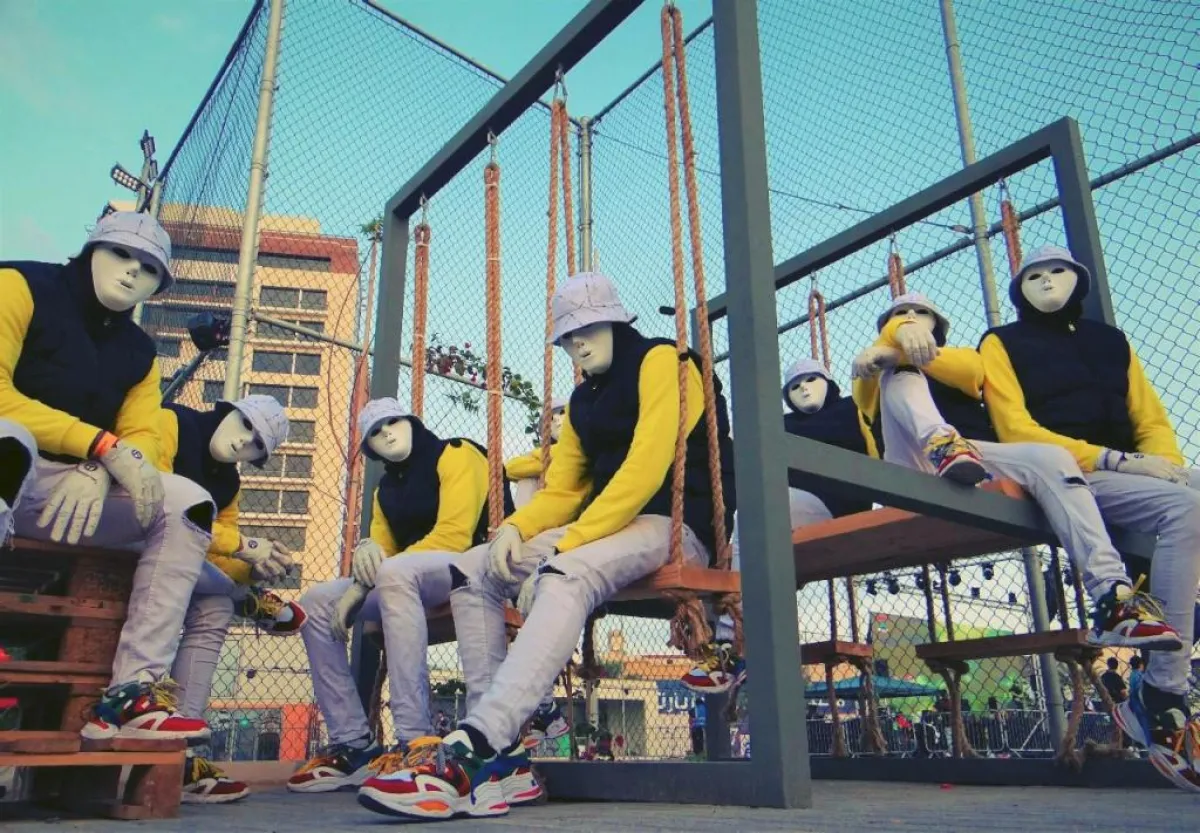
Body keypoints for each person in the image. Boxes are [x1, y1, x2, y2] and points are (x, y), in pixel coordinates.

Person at [356, 271, 736, 820]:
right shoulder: (582, 401)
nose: (578, 343)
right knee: (473, 570)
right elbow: (563, 490)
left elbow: (646, 465)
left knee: (564, 574)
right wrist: (516, 528)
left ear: (615, 322)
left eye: (588, 329)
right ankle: (505, 759)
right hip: (603, 527)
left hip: (672, 524)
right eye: (567, 336)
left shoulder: (666, 363)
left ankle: (475, 747)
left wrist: (564, 547)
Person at [979, 244, 1200, 792]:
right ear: (1018, 287)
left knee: (1190, 496)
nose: (1047, 281)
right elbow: (1015, 429)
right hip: (1073, 468)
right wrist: (1114, 460)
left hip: (1133, 471)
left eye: (1059, 271)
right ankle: (1164, 684)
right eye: (1034, 274)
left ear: (1079, 280)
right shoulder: (1001, 341)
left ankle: (1168, 673)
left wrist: (1164, 467)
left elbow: (1150, 419)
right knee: (1185, 509)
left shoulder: (1111, 341)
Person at [851, 292, 1181, 651]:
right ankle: (941, 441)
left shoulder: (965, 359)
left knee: (1052, 457)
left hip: (968, 459)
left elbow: (970, 371)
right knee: (899, 372)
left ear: (938, 326)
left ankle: (1112, 597)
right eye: (900, 313)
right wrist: (896, 344)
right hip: (909, 464)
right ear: (885, 325)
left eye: (921, 312)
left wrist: (904, 343)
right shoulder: (871, 366)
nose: (911, 316)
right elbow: (865, 387)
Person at [1, 212, 214, 741]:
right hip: (9, 468)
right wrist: (99, 445)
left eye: (149, 268)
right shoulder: (19, 285)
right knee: (10, 439)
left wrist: (99, 465)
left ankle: (130, 696)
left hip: (69, 491)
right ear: (91, 250)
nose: (131, 271)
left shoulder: (140, 353)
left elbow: (143, 438)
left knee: (187, 501)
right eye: (120, 253)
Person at [286, 397, 500, 793]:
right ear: (370, 448)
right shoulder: (384, 489)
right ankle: (353, 742)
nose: (386, 434)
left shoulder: (455, 453)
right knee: (317, 602)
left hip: (470, 566)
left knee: (395, 572)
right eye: (375, 433)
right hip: (407, 578)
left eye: (393, 423)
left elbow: (454, 535)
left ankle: (415, 739)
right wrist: (367, 555)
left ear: (411, 423)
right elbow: (382, 553)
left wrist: (372, 578)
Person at [680, 357, 879, 694]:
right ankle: (720, 636)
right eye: (794, 386)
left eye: (812, 380)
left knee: (756, 511)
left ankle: (734, 643)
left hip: (835, 504)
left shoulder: (852, 408)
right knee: (726, 534)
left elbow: (874, 405)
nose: (804, 389)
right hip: (787, 509)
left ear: (829, 383)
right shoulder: (781, 424)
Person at [155, 394, 302, 803]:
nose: (244, 443)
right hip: (128, 541)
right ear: (228, 412)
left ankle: (181, 756)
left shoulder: (228, 483)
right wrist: (245, 546)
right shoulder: (173, 423)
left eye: (257, 446)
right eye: (246, 426)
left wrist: (254, 567)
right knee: (212, 579)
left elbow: (220, 549)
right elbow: (151, 500)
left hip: (183, 569)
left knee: (217, 605)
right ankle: (245, 598)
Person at [504, 397, 567, 509]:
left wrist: (542, 457)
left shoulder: (586, 443)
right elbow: (510, 468)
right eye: (550, 418)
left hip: (581, 508)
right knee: (527, 479)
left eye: (562, 412)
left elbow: (566, 453)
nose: (556, 419)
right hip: (551, 508)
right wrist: (547, 457)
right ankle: (522, 519)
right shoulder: (550, 453)